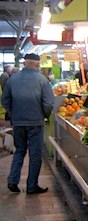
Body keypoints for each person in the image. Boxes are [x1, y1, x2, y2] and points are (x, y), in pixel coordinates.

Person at [2, 53, 55, 194]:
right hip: (36, 122)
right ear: (37, 64)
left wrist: (14, 114)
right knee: (35, 154)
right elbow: (49, 103)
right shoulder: (42, 80)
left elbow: (5, 100)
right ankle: (32, 185)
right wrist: (43, 115)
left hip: (18, 122)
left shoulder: (12, 79)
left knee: (19, 151)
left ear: (25, 63)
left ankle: (12, 180)